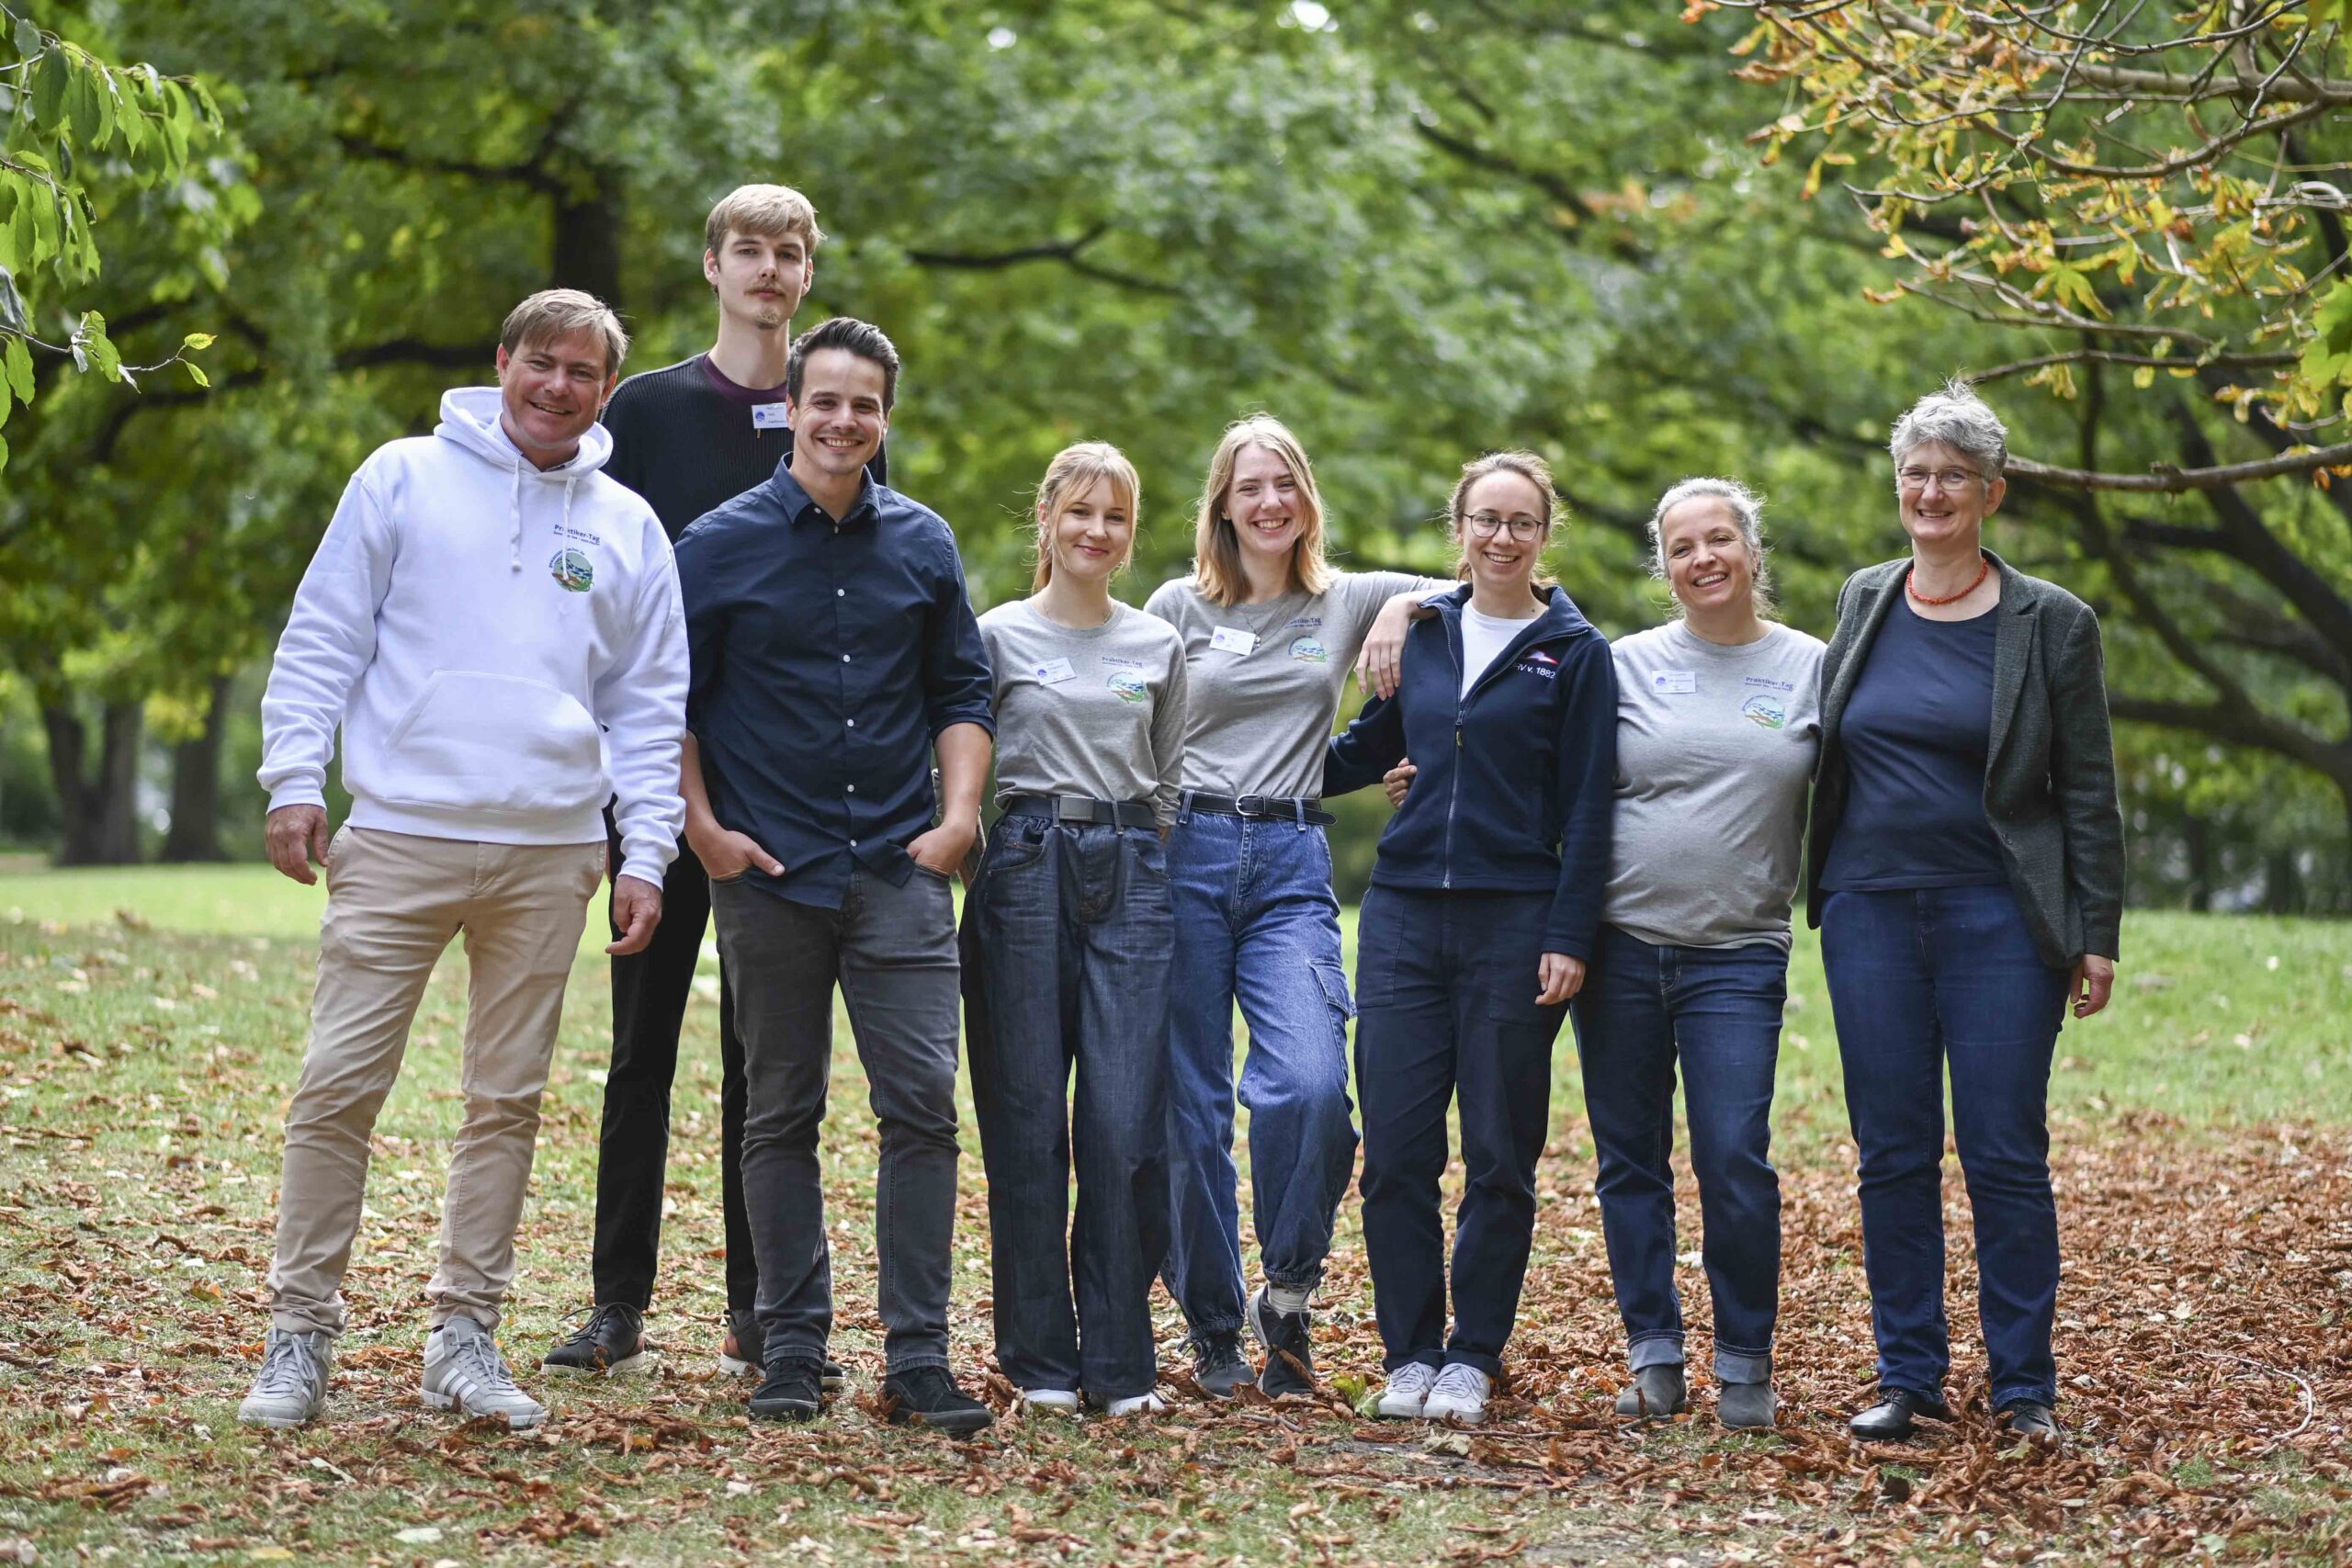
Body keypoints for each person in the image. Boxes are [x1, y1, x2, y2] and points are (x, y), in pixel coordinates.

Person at [240, 289, 687, 1431]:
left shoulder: (628, 525)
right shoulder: (401, 477)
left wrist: (646, 849)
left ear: (604, 389)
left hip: (550, 852)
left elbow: (647, 706)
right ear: (503, 364)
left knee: (507, 1101)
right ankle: (300, 1338)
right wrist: (295, 777)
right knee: (339, 1086)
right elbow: (326, 631)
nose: (557, 387)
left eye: (584, 372)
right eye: (541, 363)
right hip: (402, 832)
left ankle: (464, 1336)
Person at [544, 183, 875, 1391]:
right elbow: (594, 575)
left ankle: (759, 1304)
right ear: (714, 266)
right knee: (640, 1048)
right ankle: (617, 1299)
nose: (771, 269)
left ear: (806, 270)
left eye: (791, 252)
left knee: (766, 1059)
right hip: (647, 778)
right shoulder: (647, 409)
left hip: (779, 789)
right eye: (751, 249)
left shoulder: (833, 411)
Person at [673, 315, 998, 1433]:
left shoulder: (925, 544)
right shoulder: (714, 546)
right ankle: (794, 1352)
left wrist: (958, 820)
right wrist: (705, 834)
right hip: (768, 872)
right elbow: (666, 706)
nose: (844, 419)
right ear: (793, 408)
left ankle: (918, 1361)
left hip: (901, 867)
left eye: (865, 404)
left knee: (921, 1111)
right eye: (826, 400)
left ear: (883, 418)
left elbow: (962, 695)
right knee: (780, 1112)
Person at [1809, 381, 2123, 1442]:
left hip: (2001, 918)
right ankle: (1909, 1377)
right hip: (1868, 912)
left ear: (1991, 491)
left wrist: (2097, 933)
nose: (1928, 490)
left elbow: (2088, 788)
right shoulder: (1863, 597)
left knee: (2000, 1148)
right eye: (1914, 472)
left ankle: (2024, 1388)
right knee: (1890, 1149)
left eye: (1950, 474)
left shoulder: (2053, 622)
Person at [1145, 414, 1437, 1397]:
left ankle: (1290, 1287)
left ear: (1305, 495)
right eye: (1248, 487)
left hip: (1288, 860)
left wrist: (1402, 614)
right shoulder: (1175, 608)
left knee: (1309, 1085)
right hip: (1181, 855)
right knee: (1188, 1109)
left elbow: (1506, 587)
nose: (1269, 503)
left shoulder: (1346, 597)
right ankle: (1214, 1328)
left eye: (1285, 484)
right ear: (1221, 507)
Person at [1323, 450, 1616, 1426]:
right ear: (1460, 530)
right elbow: (1359, 752)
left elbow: (1589, 804)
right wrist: (1238, 760)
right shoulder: (1427, 629)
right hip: (1403, 914)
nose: (1501, 537)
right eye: (1485, 519)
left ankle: (1471, 1354)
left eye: (1520, 522)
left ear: (1544, 534)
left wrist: (1569, 934)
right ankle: (1408, 1352)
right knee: (1399, 1150)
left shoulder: (1574, 652)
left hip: (1516, 922)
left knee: (1498, 1152)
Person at [1553, 479, 1820, 1430]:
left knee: (1733, 1155)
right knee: (1630, 1162)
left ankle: (1744, 1360)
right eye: (1681, 547)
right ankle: (1653, 1354)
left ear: (1752, 550)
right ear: (1662, 566)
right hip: (1618, 950)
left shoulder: (1813, 667)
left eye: (1719, 540)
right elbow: (1547, 772)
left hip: (1737, 955)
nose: (1702, 558)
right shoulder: (1620, 665)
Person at [963, 443, 1187, 1418]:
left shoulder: (1155, 646)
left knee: (1124, 1121)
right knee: (1023, 1119)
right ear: (1045, 519)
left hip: (1131, 871)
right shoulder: (995, 635)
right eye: (1081, 512)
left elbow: (1170, 777)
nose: (1097, 531)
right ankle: (1041, 1358)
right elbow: (964, 767)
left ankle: (1121, 1361)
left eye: (1116, 518)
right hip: (1023, 863)